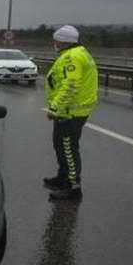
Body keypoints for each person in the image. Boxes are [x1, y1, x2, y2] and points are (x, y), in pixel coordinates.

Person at [43, 25, 98, 201]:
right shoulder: (80, 53)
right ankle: (62, 178)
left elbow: (70, 86)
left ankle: (73, 187)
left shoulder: (71, 58)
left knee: (67, 149)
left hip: (70, 112)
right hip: (71, 110)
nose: (54, 43)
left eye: (56, 40)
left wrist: (55, 108)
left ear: (63, 40)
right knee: (60, 145)